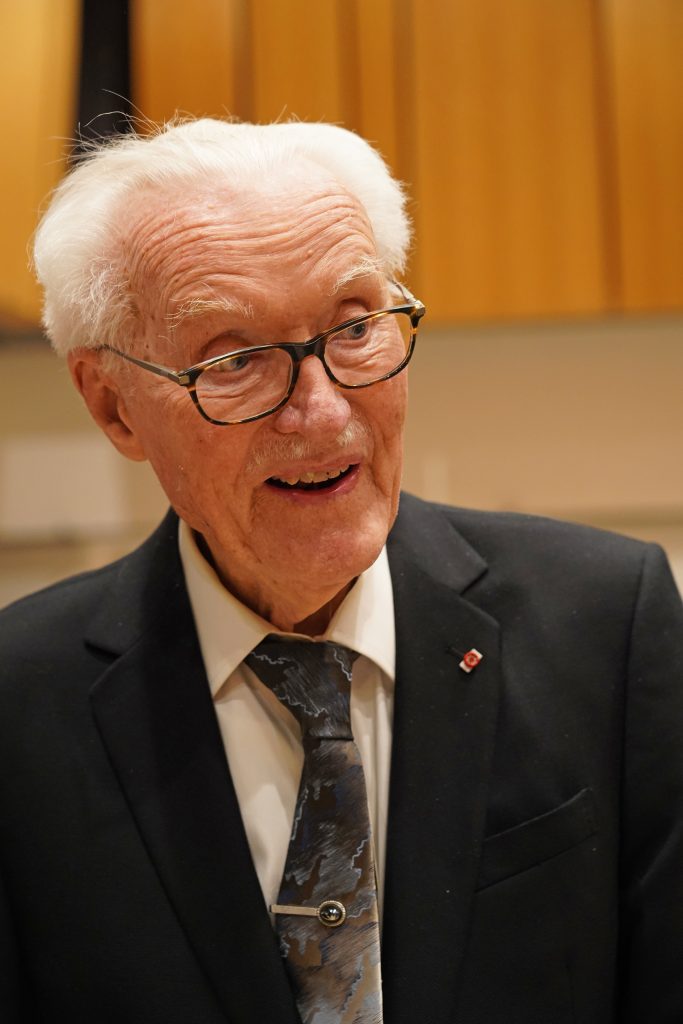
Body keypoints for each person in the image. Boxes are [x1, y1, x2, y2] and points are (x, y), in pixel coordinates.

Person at [1, 117, 682, 1024]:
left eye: (354, 326)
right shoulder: (17, 707)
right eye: (236, 359)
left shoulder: (609, 625)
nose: (322, 417)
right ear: (114, 406)